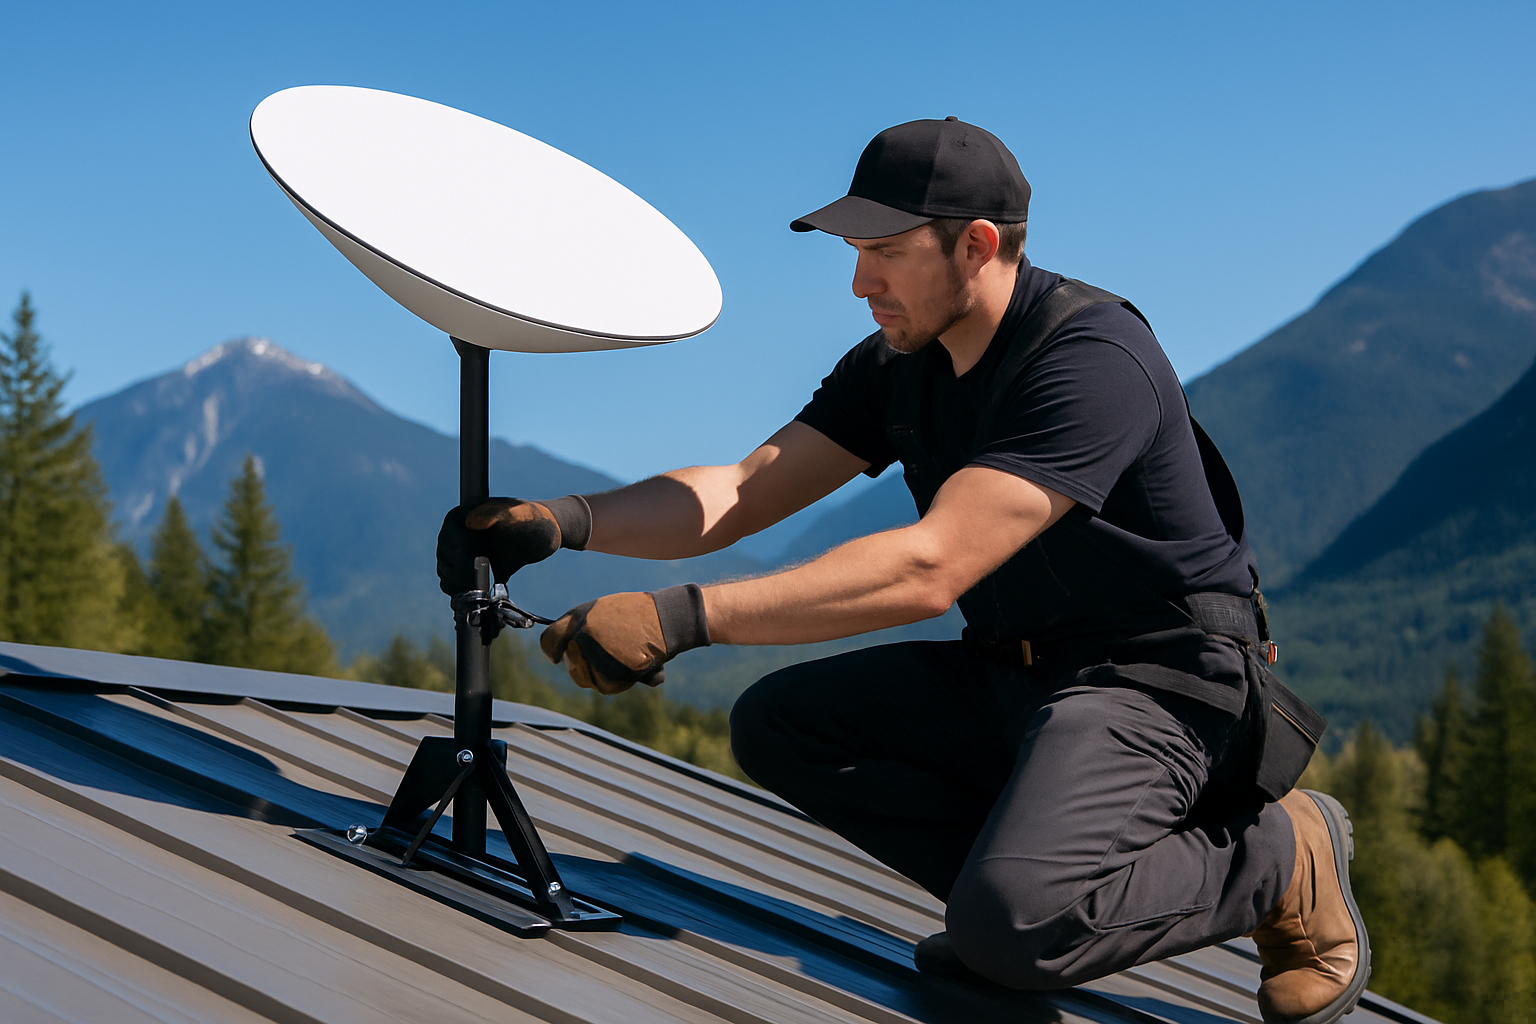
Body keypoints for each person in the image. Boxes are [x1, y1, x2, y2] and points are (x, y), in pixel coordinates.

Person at [436, 117, 1370, 1024]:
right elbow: (743, 491)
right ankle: (1007, 899)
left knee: (1016, 930)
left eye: (884, 250)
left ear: (976, 244)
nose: (858, 282)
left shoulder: (1091, 358)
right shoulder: (898, 363)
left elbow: (931, 568)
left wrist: (680, 616)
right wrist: (565, 521)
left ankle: (1280, 856)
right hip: (1023, 676)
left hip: (1161, 689)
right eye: (853, 251)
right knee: (784, 725)